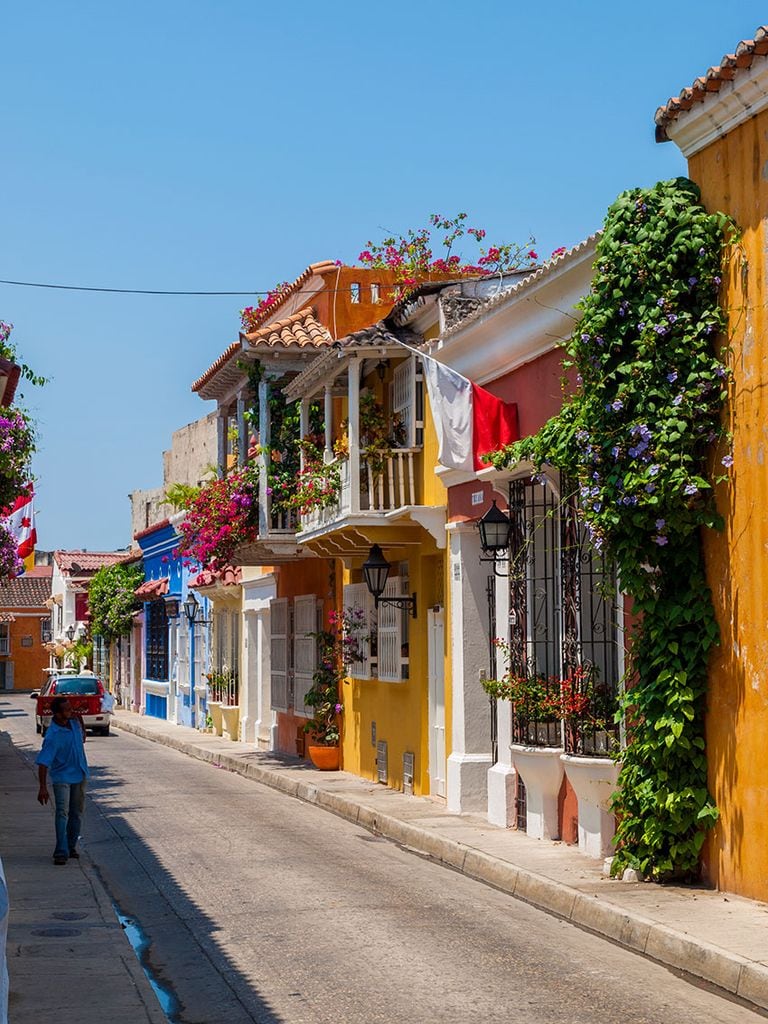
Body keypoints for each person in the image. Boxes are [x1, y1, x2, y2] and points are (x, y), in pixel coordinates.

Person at [35, 696, 89, 865]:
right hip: (61, 777)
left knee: (76, 813)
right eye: (66, 710)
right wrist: (42, 787)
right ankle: (60, 851)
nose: (70, 711)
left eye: (70, 708)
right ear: (57, 714)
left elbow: (82, 735)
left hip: (79, 774)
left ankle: (71, 846)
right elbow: (43, 763)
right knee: (62, 813)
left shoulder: (73, 724)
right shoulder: (53, 735)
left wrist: (76, 715)